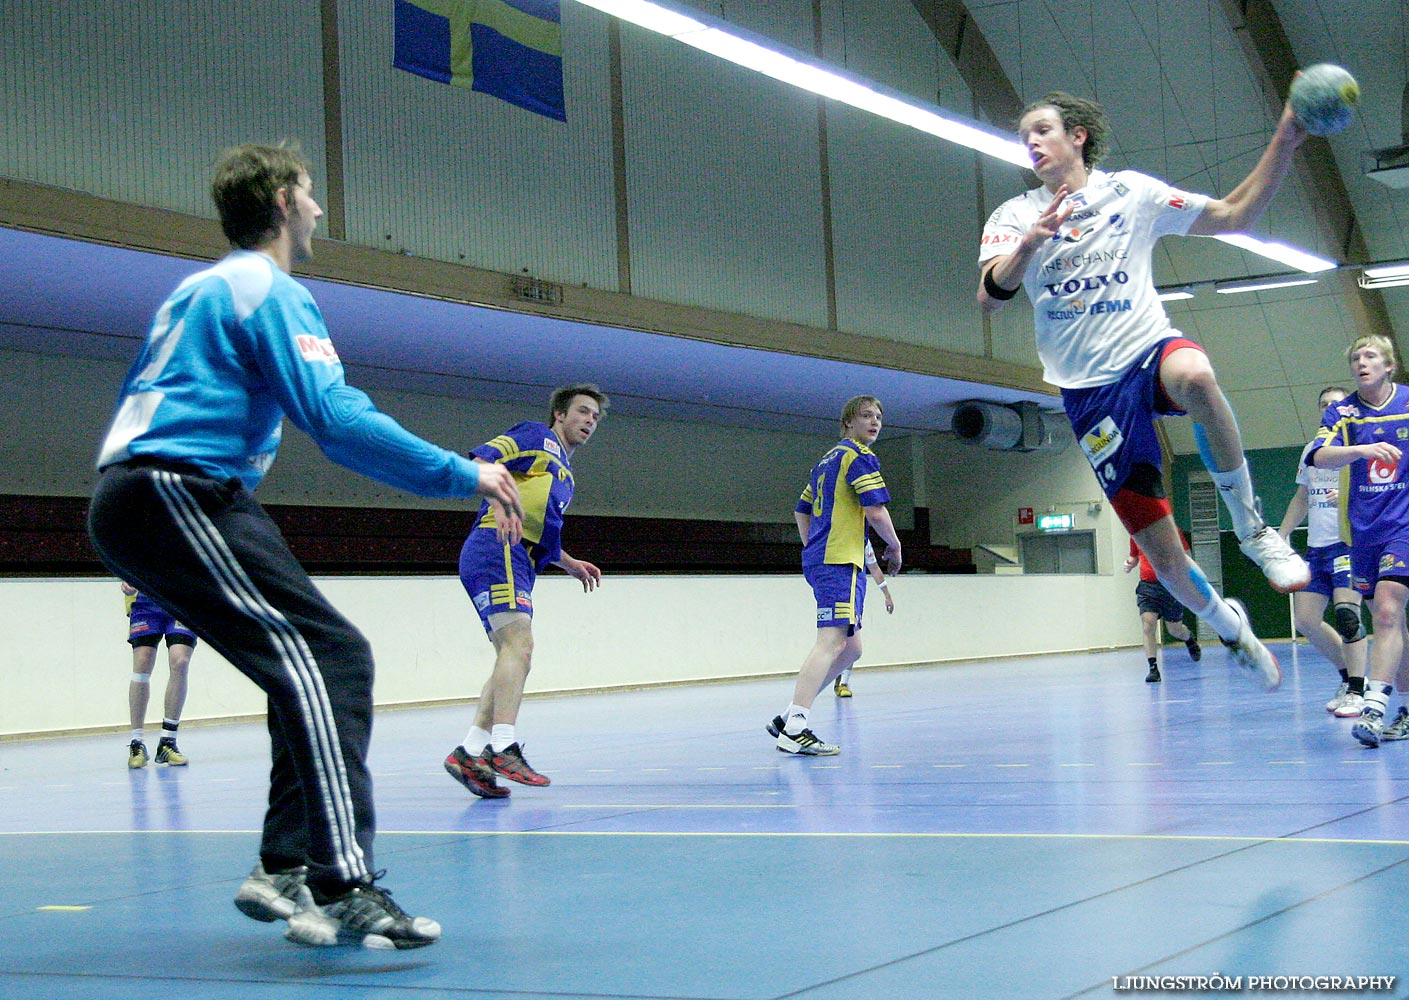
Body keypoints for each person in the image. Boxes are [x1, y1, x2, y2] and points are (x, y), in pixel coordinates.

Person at [87, 143, 523, 949]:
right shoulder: (268, 290)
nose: (319, 210)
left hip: (154, 497)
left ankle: (282, 867)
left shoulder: (202, 288)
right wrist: (464, 472)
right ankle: (343, 881)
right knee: (336, 659)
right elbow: (337, 420)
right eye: (312, 195)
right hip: (177, 492)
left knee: (309, 668)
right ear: (283, 200)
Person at [977, 90, 1314, 691]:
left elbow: (1237, 214)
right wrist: (1032, 240)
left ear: (1078, 135)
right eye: (1023, 134)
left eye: (1043, 129)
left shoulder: (1131, 192)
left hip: (1146, 348)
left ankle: (1253, 528)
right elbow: (990, 294)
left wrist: (1285, 137)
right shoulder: (1012, 214)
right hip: (1090, 392)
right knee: (1164, 559)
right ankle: (1230, 627)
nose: (1030, 142)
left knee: (1197, 379)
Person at [444, 385, 606, 798]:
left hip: (522, 559)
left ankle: (471, 751)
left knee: (510, 655)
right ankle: (503, 746)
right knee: (521, 645)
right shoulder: (537, 436)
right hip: (497, 548)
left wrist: (567, 562)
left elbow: (533, 520)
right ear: (559, 414)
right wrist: (498, 507)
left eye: (594, 417)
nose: (589, 421)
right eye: (582, 412)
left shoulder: (565, 473)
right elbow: (483, 460)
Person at [766, 395, 902, 755]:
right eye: (866, 416)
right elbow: (874, 509)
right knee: (830, 642)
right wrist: (895, 545)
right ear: (848, 423)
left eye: (878, 416)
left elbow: (801, 509)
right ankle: (796, 727)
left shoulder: (825, 462)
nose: (874, 422)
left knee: (851, 648)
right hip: (839, 561)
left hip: (832, 560)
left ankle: (786, 717)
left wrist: (813, 545)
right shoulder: (857, 457)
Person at [1307, 336, 1409, 747]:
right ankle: (1405, 708)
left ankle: (1372, 707)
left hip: (1403, 525)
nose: (1361, 363)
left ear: (1389, 366)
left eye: (1370, 357)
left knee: (1386, 611)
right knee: (1391, 623)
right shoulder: (1343, 412)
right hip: (1361, 529)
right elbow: (1318, 455)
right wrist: (1363, 450)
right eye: (1355, 358)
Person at [1277, 386, 1368, 717]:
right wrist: (1283, 534)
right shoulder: (1311, 451)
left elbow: (1377, 495)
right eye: (1324, 405)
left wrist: (1348, 497)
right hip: (1317, 548)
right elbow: (1302, 497)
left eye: (1336, 403)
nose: (1330, 407)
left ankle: (1359, 691)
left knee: (1347, 616)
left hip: (1348, 542)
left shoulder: (1360, 448)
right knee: (1305, 620)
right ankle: (1349, 678)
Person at [121, 582, 195, 767]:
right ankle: (136, 743)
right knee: (142, 662)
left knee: (180, 660)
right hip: (145, 598)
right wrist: (125, 574)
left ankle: (168, 741)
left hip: (183, 599)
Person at [1123, 538, 1201, 683]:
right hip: (1148, 587)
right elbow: (1134, 556)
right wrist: (1129, 563)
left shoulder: (1169, 528)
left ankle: (1188, 638)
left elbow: (1186, 555)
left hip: (1170, 585)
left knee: (1174, 630)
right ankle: (1153, 669)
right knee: (1148, 624)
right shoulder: (1135, 534)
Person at [832, 537, 895, 697]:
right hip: (838, 589)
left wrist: (887, 595)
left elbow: (874, 569)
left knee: (852, 637)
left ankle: (844, 682)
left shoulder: (864, 542)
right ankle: (833, 674)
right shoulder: (835, 537)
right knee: (837, 639)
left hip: (857, 591)